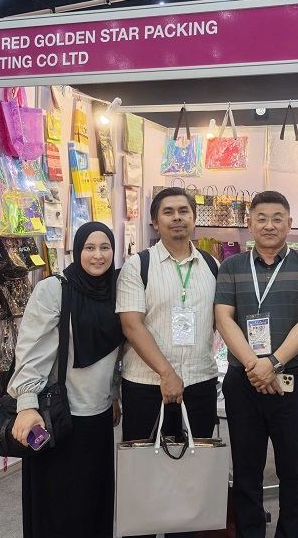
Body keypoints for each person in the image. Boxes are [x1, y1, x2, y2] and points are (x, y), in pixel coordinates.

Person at [214, 191, 298, 538]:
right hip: (244, 383)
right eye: (261, 218)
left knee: (294, 473)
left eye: (277, 218)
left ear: (289, 224)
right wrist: (256, 366)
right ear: (249, 224)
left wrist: (274, 363)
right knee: (246, 472)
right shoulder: (232, 266)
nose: (269, 225)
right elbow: (223, 319)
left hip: (292, 383)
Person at [8, 222, 123, 538]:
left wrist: (114, 394)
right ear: (76, 251)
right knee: (58, 506)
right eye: (89, 248)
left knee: (93, 502)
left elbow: (115, 352)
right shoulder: (55, 289)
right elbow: (30, 350)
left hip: (98, 415)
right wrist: (26, 404)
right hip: (57, 416)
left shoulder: (115, 291)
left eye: (105, 248)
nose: (98, 256)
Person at [116, 186, 219, 538]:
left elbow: (221, 321)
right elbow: (131, 325)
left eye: (184, 211)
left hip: (199, 383)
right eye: (168, 212)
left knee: (192, 475)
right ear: (154, 221)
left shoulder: (211, 265)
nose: (177, 218)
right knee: (144, 474)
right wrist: (167, 373)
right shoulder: (138, 265)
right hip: (146, 386)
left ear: (194, 218)